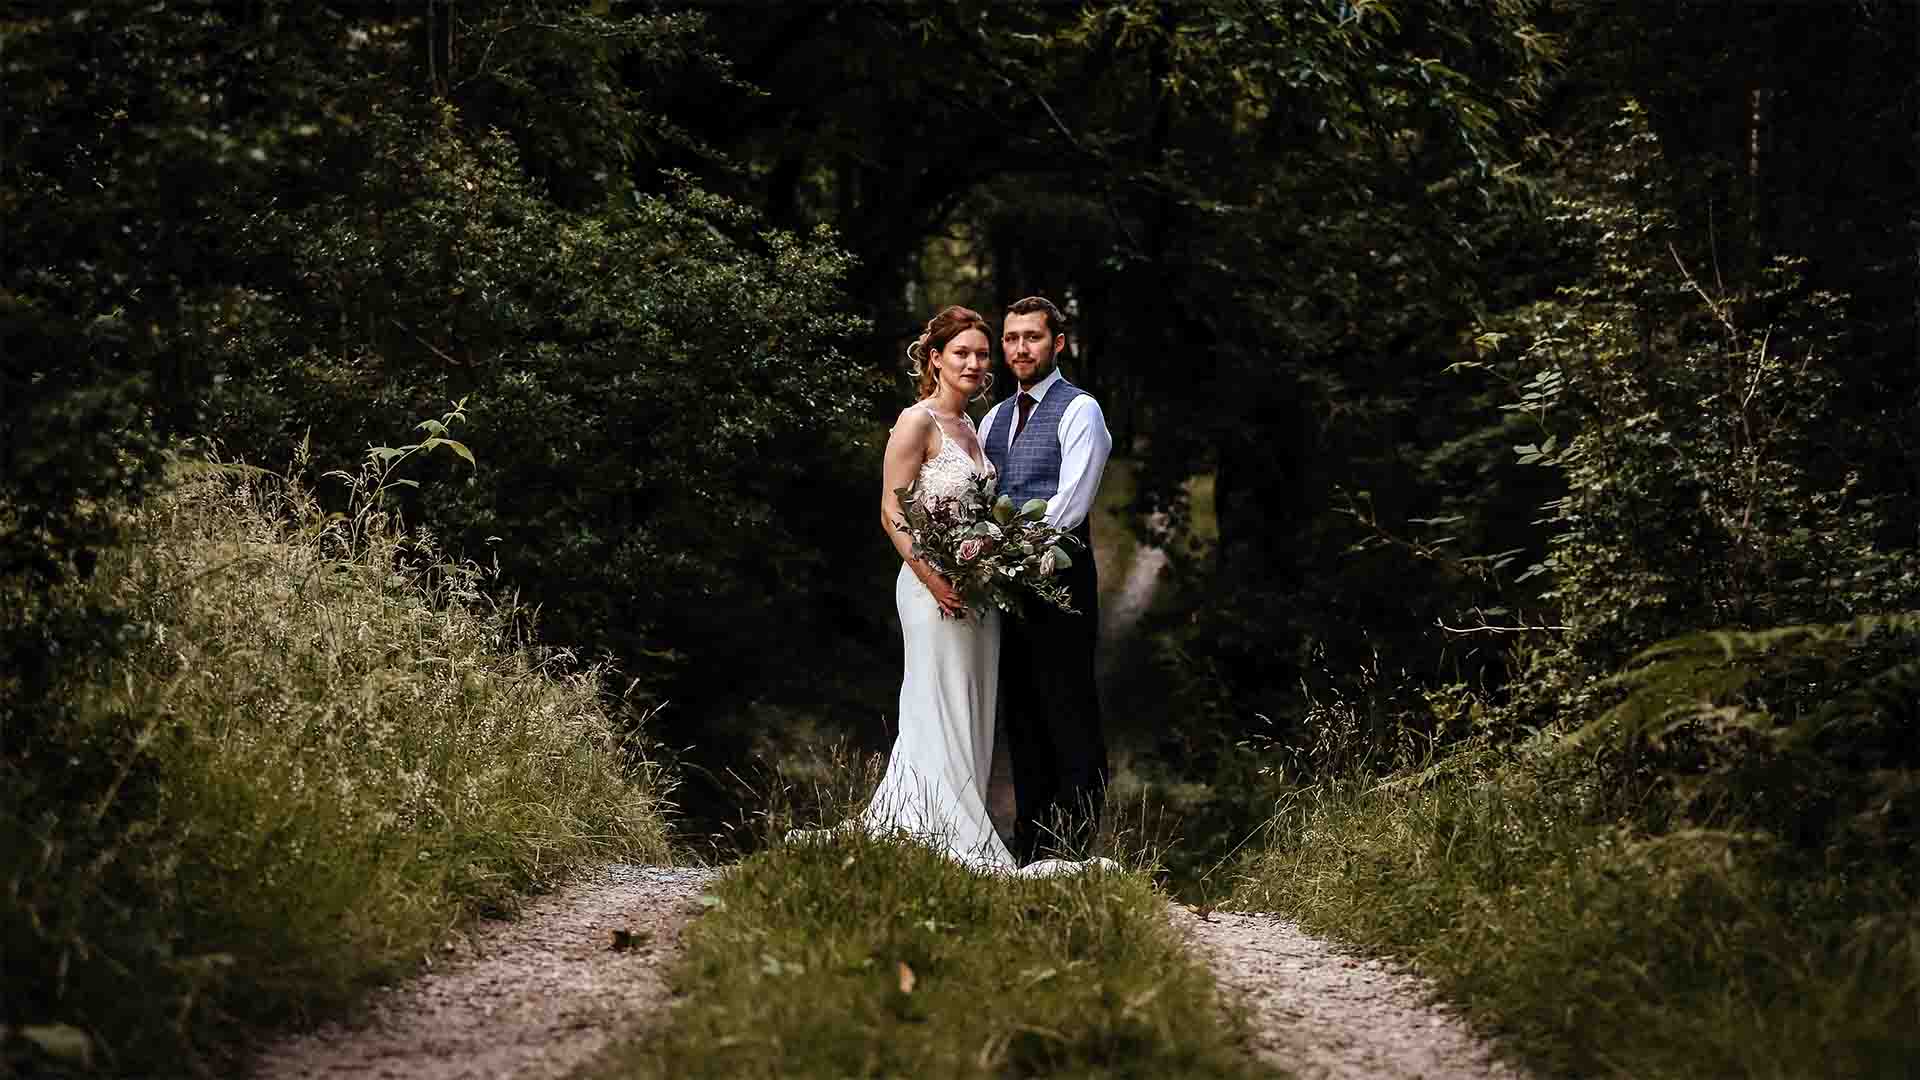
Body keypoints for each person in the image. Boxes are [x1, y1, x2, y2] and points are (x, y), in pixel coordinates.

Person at [978, 296, 1113, 865]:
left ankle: (1076, 840)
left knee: (1068, 704)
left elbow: (1073, 501)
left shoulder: (1081, 409)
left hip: (1061, 572)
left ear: (1057, 343)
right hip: (1007, 585)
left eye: (1031, 338)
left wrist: (1013, 545)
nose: (1019, 349)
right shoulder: (991, 419)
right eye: (1011, 339)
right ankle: (1031, 842)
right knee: (1023, 708)